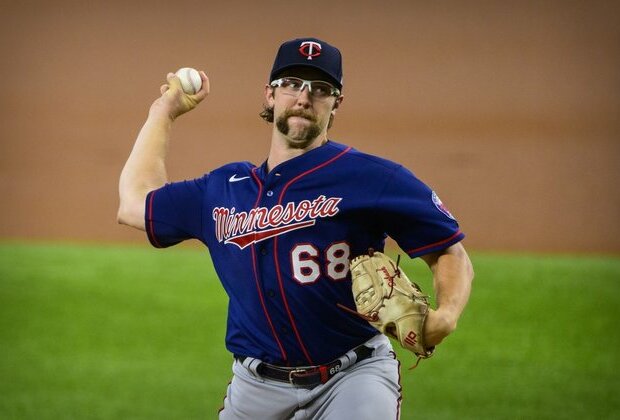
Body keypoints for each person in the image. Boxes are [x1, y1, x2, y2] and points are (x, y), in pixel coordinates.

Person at [118, 37, 474, 419]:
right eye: (292, 84)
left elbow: (449, 250)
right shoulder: (222, 189)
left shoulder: (372, 177)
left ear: (336, 104)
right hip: (255, 387)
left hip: (353, 376)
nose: (304, 98)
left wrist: (446, 314)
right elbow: (135, 203)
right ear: (270, 95)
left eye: (321, 89)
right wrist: (162, 112)